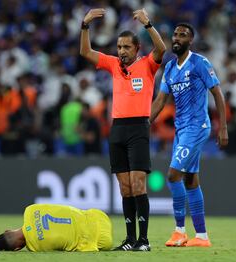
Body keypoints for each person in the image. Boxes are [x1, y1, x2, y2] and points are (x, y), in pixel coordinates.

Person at [80, 8, 166, 251]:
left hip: (139, 127)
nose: (121, 52)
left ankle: (144, 240)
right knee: (125, 187)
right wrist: (85, 25)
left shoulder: (148, 65)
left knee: (138, 185)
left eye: (126, 47)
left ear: (137, 48)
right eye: (119, 47)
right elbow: (85, 51)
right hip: (117, 129)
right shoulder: (113, 65)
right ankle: (130, 240)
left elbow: (161, 50)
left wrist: (148, 24)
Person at [150, 23, 228, 247]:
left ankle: (179, 231)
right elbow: (160, 101)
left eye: (182, 35)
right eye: (175, 34)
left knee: (173, 175)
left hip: (197, 127)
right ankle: (202, 236)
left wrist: (222, 127)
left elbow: (217, 93)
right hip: (181, 130)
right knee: (190, 180)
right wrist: (144, 123)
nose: (177, 38)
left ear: (190, 41)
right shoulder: (170, 69)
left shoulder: (199, 63)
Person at [0, 204, 112, 252]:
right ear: (8, 230)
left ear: (17, 248)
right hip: (98, 215)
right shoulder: (30, 209)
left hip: (103, 241)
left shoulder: (35, 247)